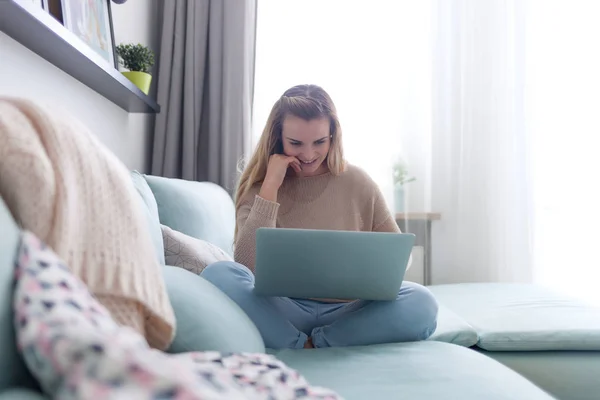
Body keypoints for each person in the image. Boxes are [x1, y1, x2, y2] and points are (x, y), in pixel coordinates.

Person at [201, 84, 438, 349]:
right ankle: (297, 344)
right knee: (218, 274)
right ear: (278, 138)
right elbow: (246, 264)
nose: (308, 154)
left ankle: (318, 343)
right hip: (280, 311)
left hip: (347, 314)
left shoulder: (358, 182)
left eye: (319, 142)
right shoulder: (260, 186)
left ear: (333, 136)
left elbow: (398, 259)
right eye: (295, 143)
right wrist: (270, 188)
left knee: (422, 301)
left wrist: (368, 273)